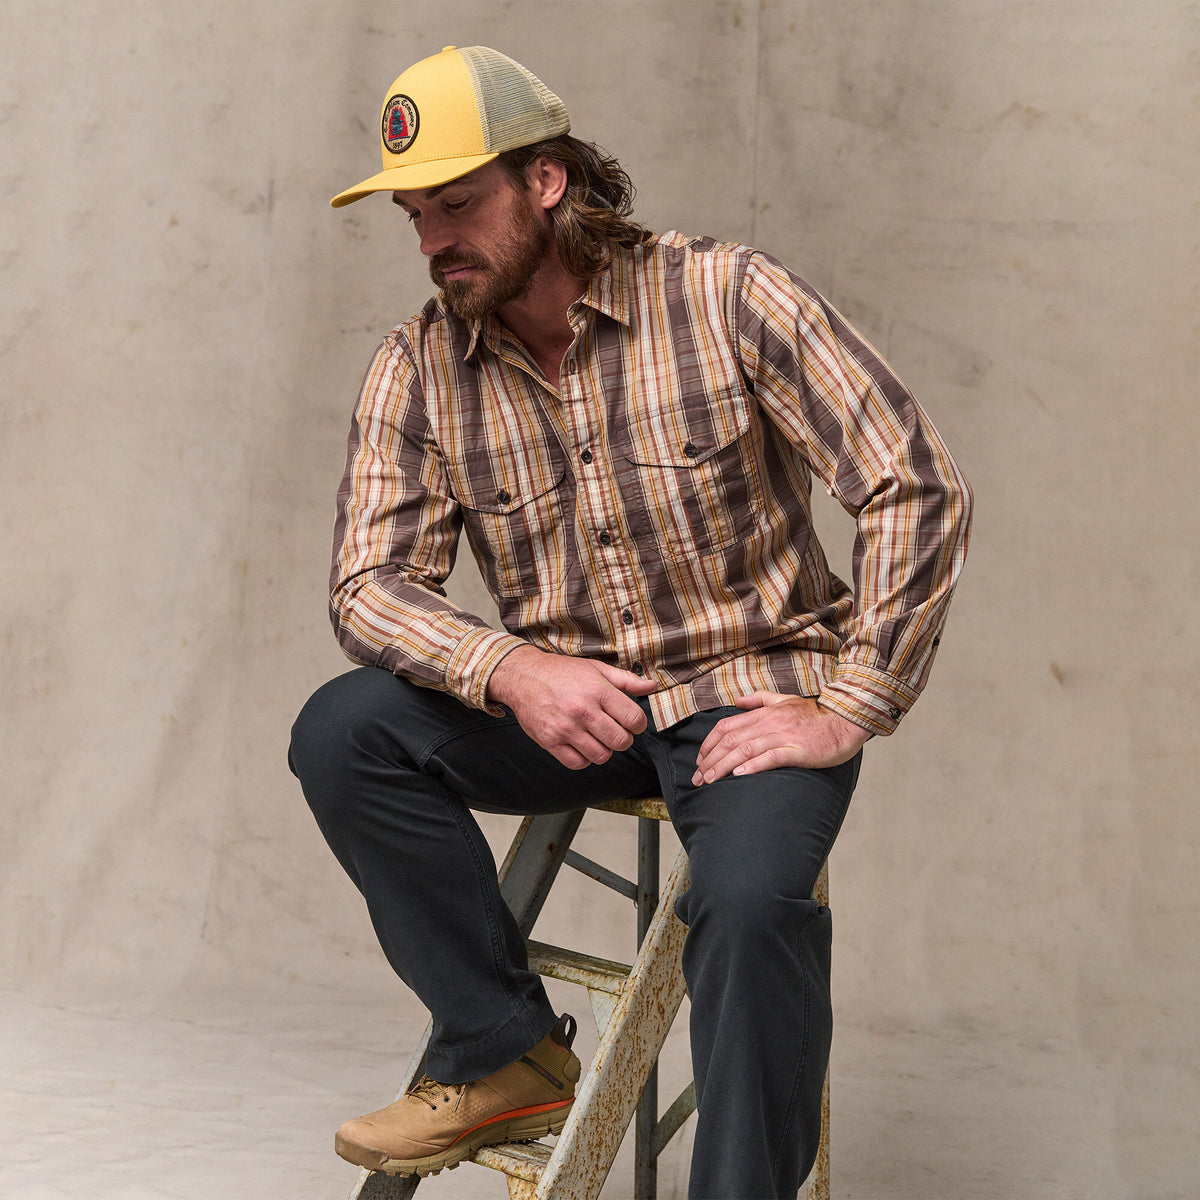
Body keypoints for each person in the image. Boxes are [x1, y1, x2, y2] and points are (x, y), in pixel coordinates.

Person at [289, 44, 972, 1199]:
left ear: (546, 180)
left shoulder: (726, 295)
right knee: (342, 731)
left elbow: (912, 481)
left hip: (748, 701)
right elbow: (368, 583)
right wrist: (511, 670)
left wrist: (853, 703)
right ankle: (504, 1050)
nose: (434, 239)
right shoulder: (420, 365)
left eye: (458, 203)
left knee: (749, 910)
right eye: (416, 216)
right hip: (574, 712)